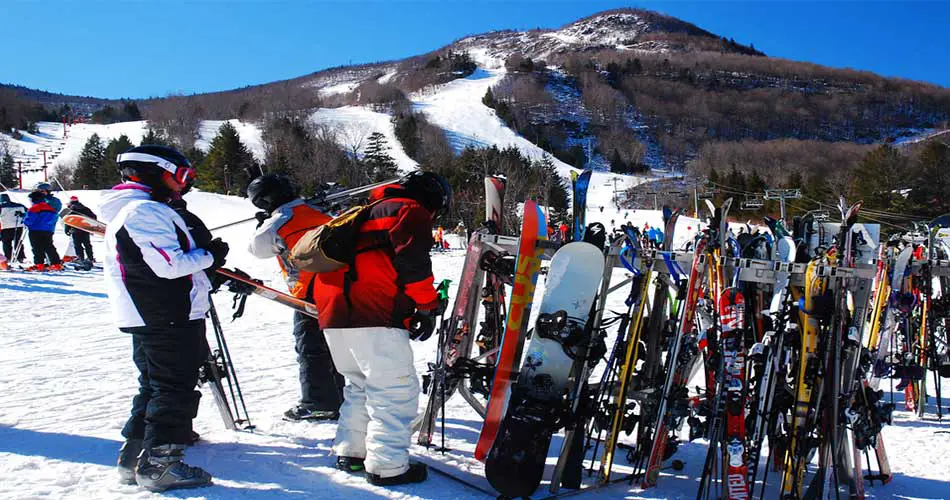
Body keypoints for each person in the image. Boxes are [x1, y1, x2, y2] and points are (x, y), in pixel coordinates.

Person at [100, 145, 228, 492]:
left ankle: (133, 457)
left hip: (152, 314)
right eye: (181, 176)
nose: (184, 185)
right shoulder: (144, 212)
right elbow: (169, 265)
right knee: (173, 386)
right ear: (156, 172)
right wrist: (209, 256)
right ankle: (160, 464)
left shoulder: (134, 211)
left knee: (155, 385)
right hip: (167, 314)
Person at [314, 171, 451, 486]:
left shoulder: (361, 212)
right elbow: (414, 265)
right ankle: (388, 467)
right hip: (374, 312)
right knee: (395, 392)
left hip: (334, 315)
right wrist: (428, 307)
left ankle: (352, 452)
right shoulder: (407, 210)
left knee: (360, 385)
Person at [246, 173, 344, 421]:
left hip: (308, 290)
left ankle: (319, 401)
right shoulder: (317, 210)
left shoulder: (278, 221)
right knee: (336, 343)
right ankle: (342, 396)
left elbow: (256, 250)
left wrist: (263, 224)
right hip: (338, 284)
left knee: (310, 346)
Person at [22, 190, 62, 272]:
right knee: (49, 247)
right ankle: (56, 264)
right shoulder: (51, 208)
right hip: (48, 230)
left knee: (37, 248)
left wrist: (24, 220)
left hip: (35, 230)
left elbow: (29, 221)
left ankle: (39, 264)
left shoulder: (34, 208)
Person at [64, 195, 97, 267]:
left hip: (75, 229)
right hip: (85, 229)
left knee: (78, 245)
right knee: (87, 244)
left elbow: (68, 220)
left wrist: (67, 229)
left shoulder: (70, 210)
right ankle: (90, 258)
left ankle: (81, 258)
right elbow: (94, 216)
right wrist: (91, 226)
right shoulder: (86, 208)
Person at [0, 193, 27, 268]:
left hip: (6, 227)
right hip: (18, 226)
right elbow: (27, 213)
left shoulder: (1, 206)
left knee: (6, 243)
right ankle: (20, 257)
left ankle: (8, 257)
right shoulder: (20, 205)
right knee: (18, 242)